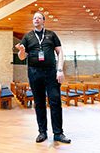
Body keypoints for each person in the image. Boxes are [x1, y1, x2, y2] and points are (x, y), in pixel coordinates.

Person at [15, 11, 71, 144]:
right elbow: (22, 57)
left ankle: (58, 133)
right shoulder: (28, 36)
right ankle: (42, 132)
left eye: (39, 18)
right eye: (34, 18)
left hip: (51, 72)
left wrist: (60, 69)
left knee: (55, 102)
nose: (36, 20)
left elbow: (60, 52)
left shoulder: (51, 34)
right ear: (33, 21)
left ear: (43, 21)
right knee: (39, 103)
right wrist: (22, 50)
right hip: (34, 73)